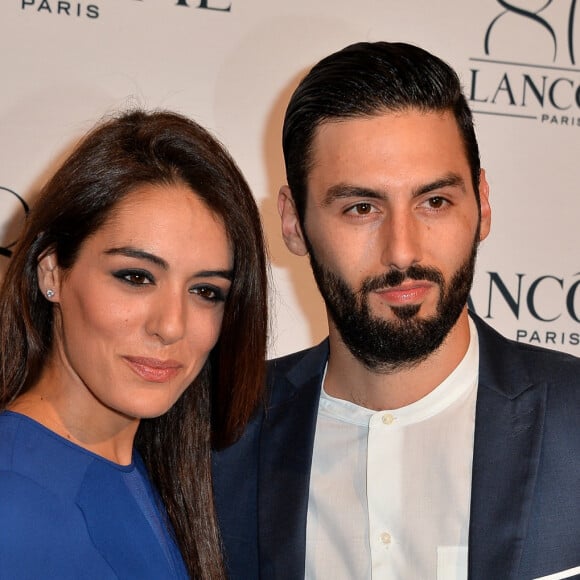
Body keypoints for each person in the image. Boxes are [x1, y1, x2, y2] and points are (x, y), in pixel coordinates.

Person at [212, 42, 580, 580]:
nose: (403, 251)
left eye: (435, 202)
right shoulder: (218, 437)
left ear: (482, 203)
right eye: (362, 208)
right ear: (293, 222)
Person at [0, 109, 268, 579]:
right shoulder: (13, 500)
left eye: (206, 291)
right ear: (51, 272)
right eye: (136, 276)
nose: (171, 326)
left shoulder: (158, 479)